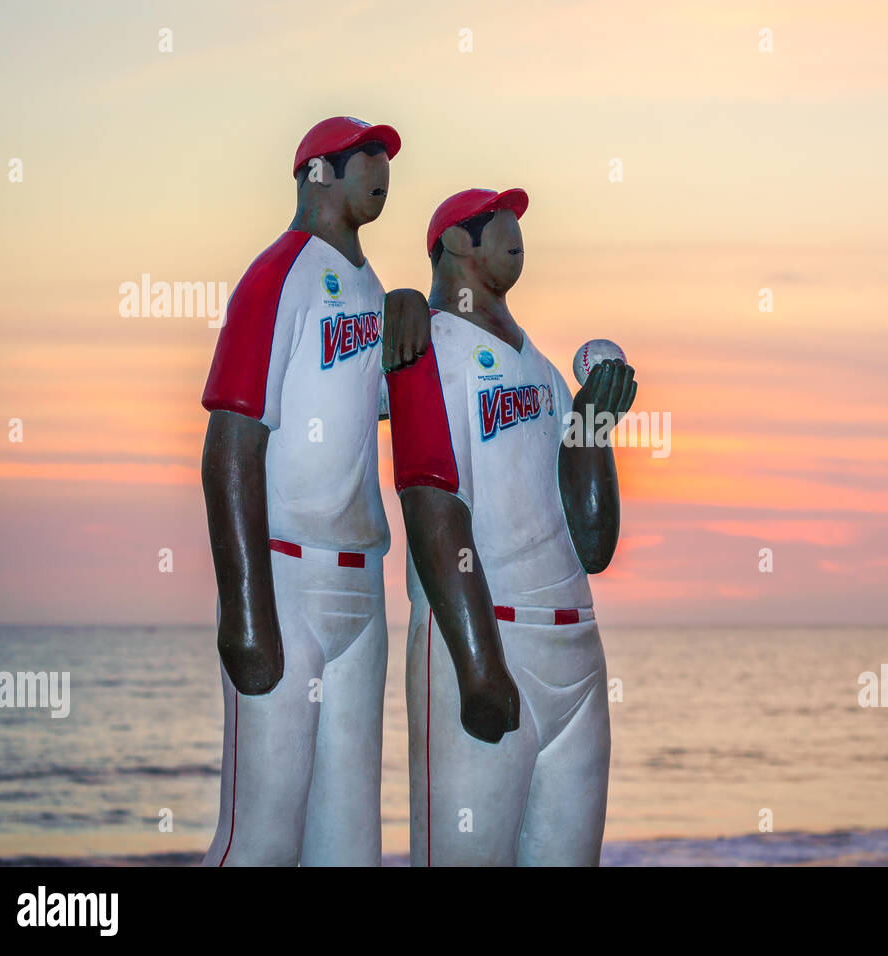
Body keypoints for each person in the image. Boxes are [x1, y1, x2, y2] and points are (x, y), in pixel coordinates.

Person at [198, 116, 429, 866]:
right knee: (259, 841)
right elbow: (230, 441)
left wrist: (420, 311)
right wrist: (243, 609)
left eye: (385, 156)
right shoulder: (279, 273)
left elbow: (398, 404)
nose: (381, 166)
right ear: (317, 173)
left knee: (348, 847)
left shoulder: (369, 285)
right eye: (366, 155)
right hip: (287, 579)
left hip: (362, 594)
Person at [386, 187, 637, 865]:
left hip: (574, 644)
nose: (513, 228)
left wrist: (592, 427)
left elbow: (593, 544)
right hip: (488, 632)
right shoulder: (428, 345)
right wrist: (477, 665)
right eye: (497, 220)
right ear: (456, 243)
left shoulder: (545, 370)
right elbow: (432, 502)